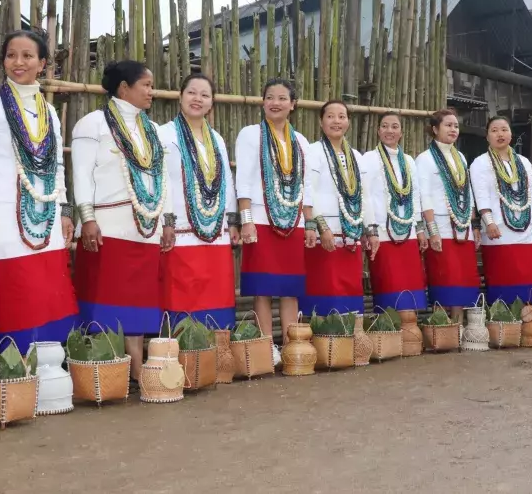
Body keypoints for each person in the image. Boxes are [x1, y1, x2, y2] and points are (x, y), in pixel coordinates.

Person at [0, 30, 77, 354]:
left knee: (49, 290)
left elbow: (57, 166)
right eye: (11, 55)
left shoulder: (49, 112)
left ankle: (52, 368)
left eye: (27, 56)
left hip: (45, 214)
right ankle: (15, 371)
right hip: (1, 215)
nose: (18, 62)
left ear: (42, 64)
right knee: (12, 289)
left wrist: (65, 210)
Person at [72, 60, 175, 382]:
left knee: (139, 306)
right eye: (146, 85)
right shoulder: (93, 124)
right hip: (106, 229)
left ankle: (137, 371)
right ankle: (103, 376)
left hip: (144, 229)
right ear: (124, 88)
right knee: (105, 304)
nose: (151, 92)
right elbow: (82, 174)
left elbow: (163, 178)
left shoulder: (153, 129)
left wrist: (167, 221)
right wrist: (87, 218)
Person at [235, 79, 311, 349]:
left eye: (282, 98)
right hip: (259, 221)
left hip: (293, 221)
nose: (275, 103)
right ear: (263, 102)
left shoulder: (301, 141)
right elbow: (242, 180)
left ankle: (293, 347)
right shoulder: (250, 134)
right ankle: (265, 347)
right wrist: (246, 221)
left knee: (290, 289)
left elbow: (305, 186)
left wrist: (308, 223)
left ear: (293, 104)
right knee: (262, 288)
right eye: (270, 97)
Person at [158, 73, 238, 328]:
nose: (197, 99)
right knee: (181, 291)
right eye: (192, 92)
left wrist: (233, 221)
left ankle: (215, 354)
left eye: (205, 95)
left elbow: (226, 181)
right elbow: (159, 182)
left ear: (211, 103)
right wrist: (165, 220)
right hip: (179, 228)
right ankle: (181, 354)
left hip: (216, 230)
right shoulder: (163, 134)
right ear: (180, 96)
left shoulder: (218, 140)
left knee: (216, 291)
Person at [301, 100, 379, 316]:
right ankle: (323, 340)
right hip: (324, 235)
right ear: (321, 122)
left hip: (351, 234)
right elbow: (309, 191)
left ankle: (347, 342)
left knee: (349, 288)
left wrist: (370, 230)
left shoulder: (356, 156)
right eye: (330, 116)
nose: (337, 121)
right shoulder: (312, 151)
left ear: (348, 122)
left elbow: (364, 195)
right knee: (324, 287)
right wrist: (322, 227)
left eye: (342, 116)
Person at [471, 116, 532, 305]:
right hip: (498, 229)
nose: (500, 134)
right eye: (494, 130)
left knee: (526, 275)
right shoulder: (480, 163)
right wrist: (488, 221)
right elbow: (481, 195)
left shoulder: (524, 162)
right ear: (487, 137)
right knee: (503, 275)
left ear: (511, 134)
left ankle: (530, 319)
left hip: (525, 228)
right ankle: (503, 320)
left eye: (504, 129)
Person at [416, 109, 481, 322]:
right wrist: (432, 230)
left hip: (462, 227)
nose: (453, 129)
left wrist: (473, 226)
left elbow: (467, 192)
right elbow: (424, 195)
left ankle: (460, 325)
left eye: (456, 126)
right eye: (448, 125)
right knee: (444, 276)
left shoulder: (460, 156)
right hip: (441, 229)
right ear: (435, 129)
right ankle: (441, 327)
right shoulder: (425, 159)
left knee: (463, 277)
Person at [360, 112, 428, 311]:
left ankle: (410, 332)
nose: (389, 130)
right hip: (381, 233)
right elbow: (366, 195)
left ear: (401, 132)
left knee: (411, 286)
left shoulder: (408, 161)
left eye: (395, 126)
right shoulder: (369, 159)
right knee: (388, 283)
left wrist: (420, 228)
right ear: (378, 131)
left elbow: (415, 195)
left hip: (408, 232)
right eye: (385, 126)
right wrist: (370, 229)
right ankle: (387, 332)